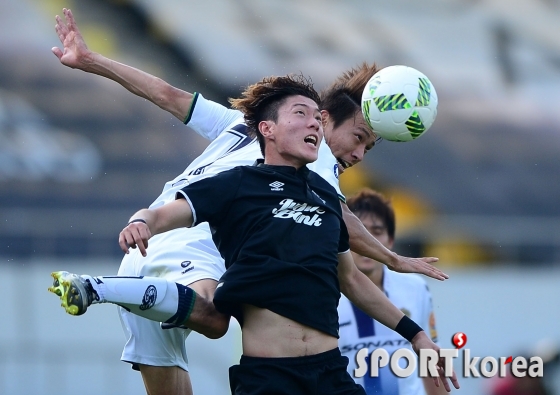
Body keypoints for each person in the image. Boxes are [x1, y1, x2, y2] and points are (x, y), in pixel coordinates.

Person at [51, 8, 449, 395]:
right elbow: (342, 218)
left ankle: (105, 287)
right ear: (322, 119)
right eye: (360, 137)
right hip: (190, 240)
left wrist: (91, 60)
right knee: (215, 317)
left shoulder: (240, 125)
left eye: (369, 146)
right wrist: (393, 259)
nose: (360, 154)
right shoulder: (317, 162)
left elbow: (168, 94)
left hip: (149, 245)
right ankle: (99, 288)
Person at [338, 188, 448, 395]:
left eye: (377, 232)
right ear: (345, 239)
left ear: (390, 242)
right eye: (360, 233)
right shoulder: (327, 293)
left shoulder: (414, 287)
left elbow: (431, 361)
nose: (368, 242)